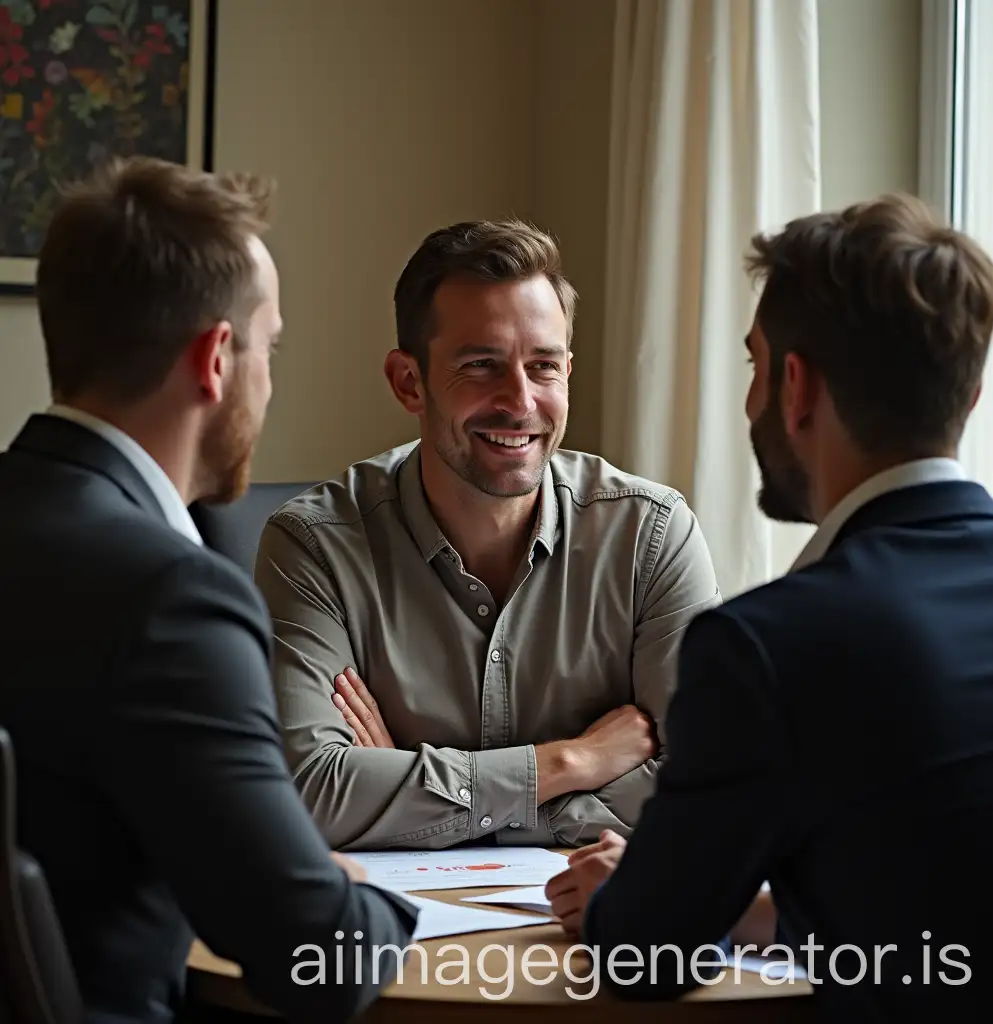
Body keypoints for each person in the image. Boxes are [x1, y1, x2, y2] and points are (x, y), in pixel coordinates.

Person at [544, 193, 993, 1021]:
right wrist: (759, 911)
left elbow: (642, 955)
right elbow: (954, 901)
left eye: (755, 366)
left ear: (795, 387)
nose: (751, 400)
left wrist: (631, 895)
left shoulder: (769, 646)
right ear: (974, 394)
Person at [0, 157, 417, 1024]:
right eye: (271, 345)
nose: (271, 376)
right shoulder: (171, 600)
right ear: (217, 359)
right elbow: (320, 961)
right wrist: (346, 887)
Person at [254, 219, 721, 850]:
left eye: (544, 366)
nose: (521, 401)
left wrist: (418, 803)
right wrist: (569, 763)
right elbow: (310, 792)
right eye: (482, 365)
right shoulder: (316, 546)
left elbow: (710, 783)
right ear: (408, 382)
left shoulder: (651, 535)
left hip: (587, 930)